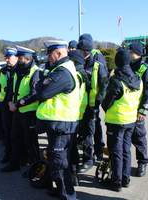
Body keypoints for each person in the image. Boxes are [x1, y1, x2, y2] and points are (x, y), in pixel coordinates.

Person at [35, 40, 78, 199]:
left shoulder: (62, 72)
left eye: (50, 55)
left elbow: (41, 93)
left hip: (62, 125)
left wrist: (40, 82)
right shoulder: (61, 69)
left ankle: (68, 195)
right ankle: (61, 190)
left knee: (59, 164)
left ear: (59, 54)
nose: (48, 58)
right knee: (58, 161)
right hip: (60, 125)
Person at [101, 49, 143, 191]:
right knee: (126, 150)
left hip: (116, 122)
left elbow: (106, 103)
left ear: (117, 62)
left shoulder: (117, 81)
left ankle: (115, 181)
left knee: (116, 152)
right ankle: (125, 179)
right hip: (131, 121)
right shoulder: (137, 78)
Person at [0, 45, 41, 177]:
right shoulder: (18, 70)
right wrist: (10, 102)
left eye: (20, 58)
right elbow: (12, 87)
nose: (18, 59)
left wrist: (17, 104)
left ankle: (34, 166)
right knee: (15, 138)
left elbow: (34, 94)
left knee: (31, 142)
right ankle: (14, 163)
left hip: (29, 112)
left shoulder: (36, 72)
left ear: (28, 58)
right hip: (17, 111)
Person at [77, 39, 108, 173]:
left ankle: (88, 160)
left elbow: (104, 85)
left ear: (86, 52)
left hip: (90, 107)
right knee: (81, 134)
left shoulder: (97, 66)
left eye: (80, 50)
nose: (78, 52)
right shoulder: (78, 64)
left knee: (88, 134)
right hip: (78, 107)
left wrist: (96, 103)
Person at [128, 42, 148, 177]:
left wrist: (143, 110)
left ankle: (142, 162)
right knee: (126, 138)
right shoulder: (127, 66)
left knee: (139, 138)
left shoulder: (145, 69)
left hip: (137, 111)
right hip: (126, 110)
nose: (129, 54)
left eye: (130, 51)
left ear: (136, 52)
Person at [68, 50, 88, 186]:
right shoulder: (83, 73)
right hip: (79, 113)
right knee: (73, 145)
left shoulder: (75, 75)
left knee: (71, 147)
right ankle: (74, 175)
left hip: (72, 114)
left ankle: (72, 175)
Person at [0, 47, 18, 164]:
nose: (7, 60)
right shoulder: (3, 71)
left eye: (9, 57)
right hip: (5, 106)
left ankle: (20, 156)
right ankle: (8, 154)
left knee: (18, 134)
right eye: (6, 58)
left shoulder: (20, 70)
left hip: (17, 107)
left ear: (16, 57)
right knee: (7, 132)